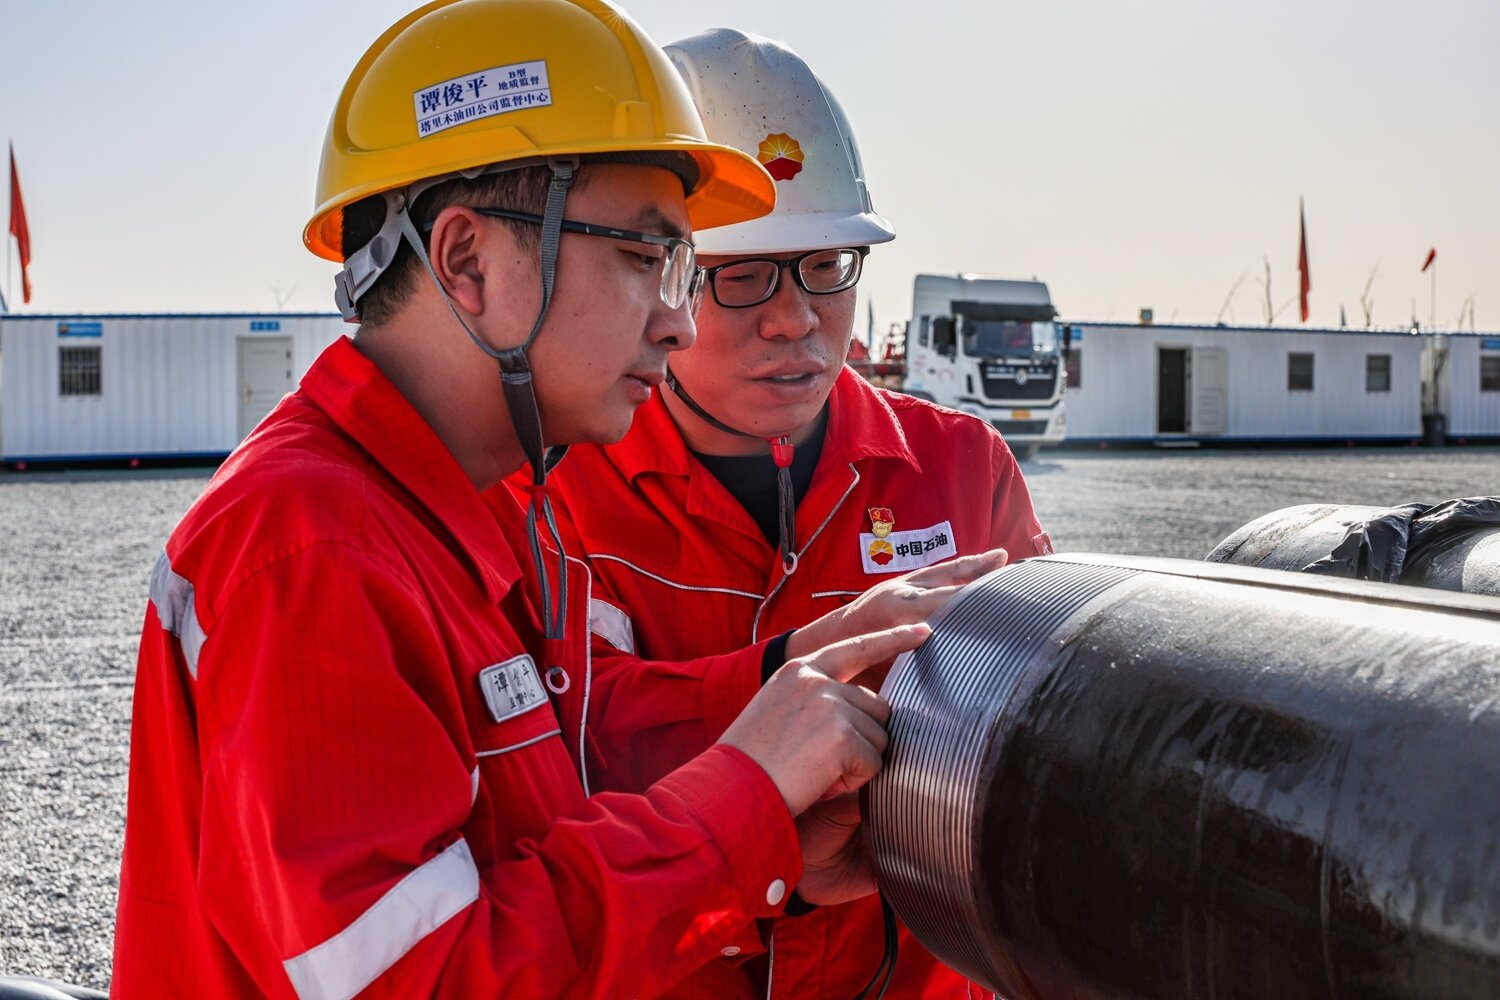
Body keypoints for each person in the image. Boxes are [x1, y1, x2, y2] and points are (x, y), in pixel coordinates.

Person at [110, 2, 961, 995]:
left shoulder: (469, 509)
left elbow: (558, 785)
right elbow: (427, 981)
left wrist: (779, 724)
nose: (680, 322)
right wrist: (744, 793)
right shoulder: (311, 548)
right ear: (468, 260)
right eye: (648, 258)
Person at [544, 29, 1053, 999]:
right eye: (742, 274)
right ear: (658, 276)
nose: (794, 318)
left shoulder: (961, 469)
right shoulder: (567, 496)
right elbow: (569, 750)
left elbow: (1051, 732)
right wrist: (787, 690)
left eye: (829, 265)